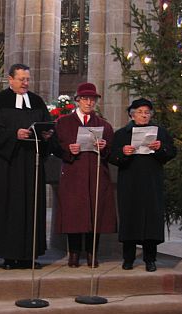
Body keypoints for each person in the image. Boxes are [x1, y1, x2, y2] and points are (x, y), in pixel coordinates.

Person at [0, 63, 53, 269]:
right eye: (21, 79)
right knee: (9, 208)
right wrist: (15, 134)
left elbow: (46, 125)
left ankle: (30, 255)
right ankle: (9, 255)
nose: (25, 83)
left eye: (27, 79)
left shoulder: (37, 101)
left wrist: (47, 135)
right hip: (8, 164)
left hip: (32, 162)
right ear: (10, 79)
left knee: (32, 208)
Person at [109, 98, 176, 272]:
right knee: (130, 218)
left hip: (152, 182)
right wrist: (123, 152)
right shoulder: (122, 134)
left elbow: (171, 152)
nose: (144, 115)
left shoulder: (159, 132)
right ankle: (128, 258)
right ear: (132, 115)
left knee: (151, 220)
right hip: (130, 182)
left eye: (147, 112)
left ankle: (150, 259)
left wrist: (160, 148)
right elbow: (112, 156)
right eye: (140, 112)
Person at [54, 83, 117, 267]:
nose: (89, 102)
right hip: (74, 174)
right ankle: (73, 254)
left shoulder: (104, 125)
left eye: (92, 99)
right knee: (74, 214)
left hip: (96, 174)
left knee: (94, 213)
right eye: (85, 99)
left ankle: (91, 253)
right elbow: (56, 148)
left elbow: (111, 153)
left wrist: (105, 148)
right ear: (78, 100)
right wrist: (68, 149)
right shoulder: (63, 122)